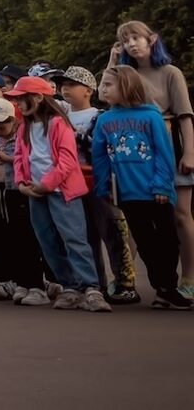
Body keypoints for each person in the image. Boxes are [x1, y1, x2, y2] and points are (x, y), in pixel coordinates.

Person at [8, 76, 110, 312]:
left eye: (22, 99)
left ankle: (91, 287)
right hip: (36, 193)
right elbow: (19, 158)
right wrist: (21, 183)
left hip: (61, 191)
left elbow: (67, 161)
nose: (19, 104)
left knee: (74, 238)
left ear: (37, 98)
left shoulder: (57, 124)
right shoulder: (23, 127)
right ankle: (70, 286)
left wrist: (47, 183)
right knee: (48, 241)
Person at [91, 66, 187, 309]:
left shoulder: (151, 116)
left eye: (108, 84)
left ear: (127, 85)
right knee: (145, 242)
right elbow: (100, 157)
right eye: (102, 84)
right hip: (128, 194)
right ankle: (162, 288)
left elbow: (164, 154)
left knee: (166, 241)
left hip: (156, 193)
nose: (103, 89)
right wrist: (104, 188)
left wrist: (163, 187)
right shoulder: (105, 120)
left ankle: (168, 287)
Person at [111, 21, 194, 299]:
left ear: (152, 39)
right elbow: (107, 97)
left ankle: (189, 277)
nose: (132, 44)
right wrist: (113, 63)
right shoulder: (127, 74)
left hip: (171, 143)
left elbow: (185, 116)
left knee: (181, 215)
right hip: (137, 152)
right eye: (125, 41)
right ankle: (125, 279)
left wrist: (190, 153)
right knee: (136, 216)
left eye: (136, 38)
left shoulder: (170, 72)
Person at [54, 66, 135, 303]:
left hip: (100, 183)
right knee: (85, 236)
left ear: (88, 89)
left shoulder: (100, 116)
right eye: (62, 85)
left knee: (113, 232)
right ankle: (95, 283)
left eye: (71, 84)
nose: (64, 89)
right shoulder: (61, 118)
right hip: (73, 185)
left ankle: (125, 283)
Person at [0, 98, 42, 303]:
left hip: (16, 192)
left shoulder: (23, 136)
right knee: (1, 237)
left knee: (24, 237)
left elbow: (31, 161)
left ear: (13, 120)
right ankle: (17, 282)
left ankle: (34, 284)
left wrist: (9, 159)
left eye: (2, 124)